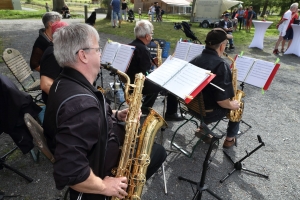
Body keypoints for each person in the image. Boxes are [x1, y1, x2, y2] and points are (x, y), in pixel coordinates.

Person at [43, 23, 166, 200]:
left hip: (99, 151)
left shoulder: (64, 81)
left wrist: (116, 114)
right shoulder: (82, 105)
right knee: (159, 152)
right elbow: (69, 171)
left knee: (157, 151)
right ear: (83, 55)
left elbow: (87, 120)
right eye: (97, 49)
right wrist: (104, 187)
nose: (101, 53)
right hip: (101, 175)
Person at [189, 28, 240, 148]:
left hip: (191, 107)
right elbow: (222, 101)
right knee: (238, 103)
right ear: (222, 46)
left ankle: (202, 127)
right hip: (208, 113)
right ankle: (229, 139)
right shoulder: (221, 65)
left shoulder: (195, 59)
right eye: (226, 44)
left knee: (208, 94)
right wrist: (233, 105)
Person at [126, 20, 183, 121]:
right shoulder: (143, 50)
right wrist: (160, 71)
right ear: (147, 36)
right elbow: (146, 73)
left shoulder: (131, 45)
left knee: (156, 83)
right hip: (139, 85)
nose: (152, 36)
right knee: (170, 81)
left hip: (129, 82)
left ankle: (146, 107)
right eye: (151, 33)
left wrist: (151, 63)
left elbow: (138, 65)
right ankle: (171, 113)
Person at [40, 21, 68, 104]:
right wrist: (65, 100)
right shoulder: (52, 54)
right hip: (55, 102)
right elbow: (45, 85)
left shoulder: (56, 49)